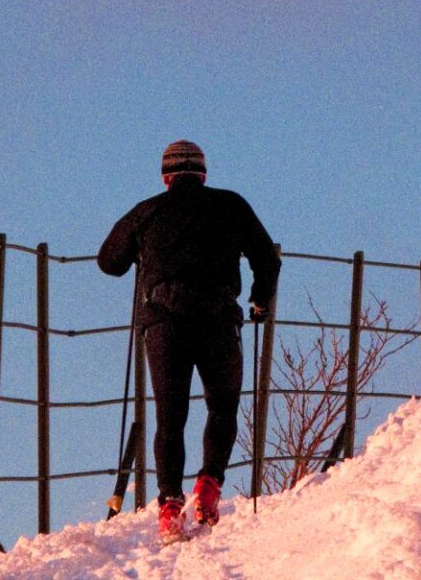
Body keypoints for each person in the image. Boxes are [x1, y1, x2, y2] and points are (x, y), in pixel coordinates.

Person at [98, 139, 280, 543]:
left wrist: (143, 254)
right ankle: (209, 485)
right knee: (223, 406)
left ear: (166, 178)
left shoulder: (147, 211)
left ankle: (168, 507)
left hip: (164, 323)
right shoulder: (231, 205)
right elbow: (266, 257)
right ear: (203, 174)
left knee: (170, 415)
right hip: (218, 319)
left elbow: (109, 261)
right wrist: (259, 300)